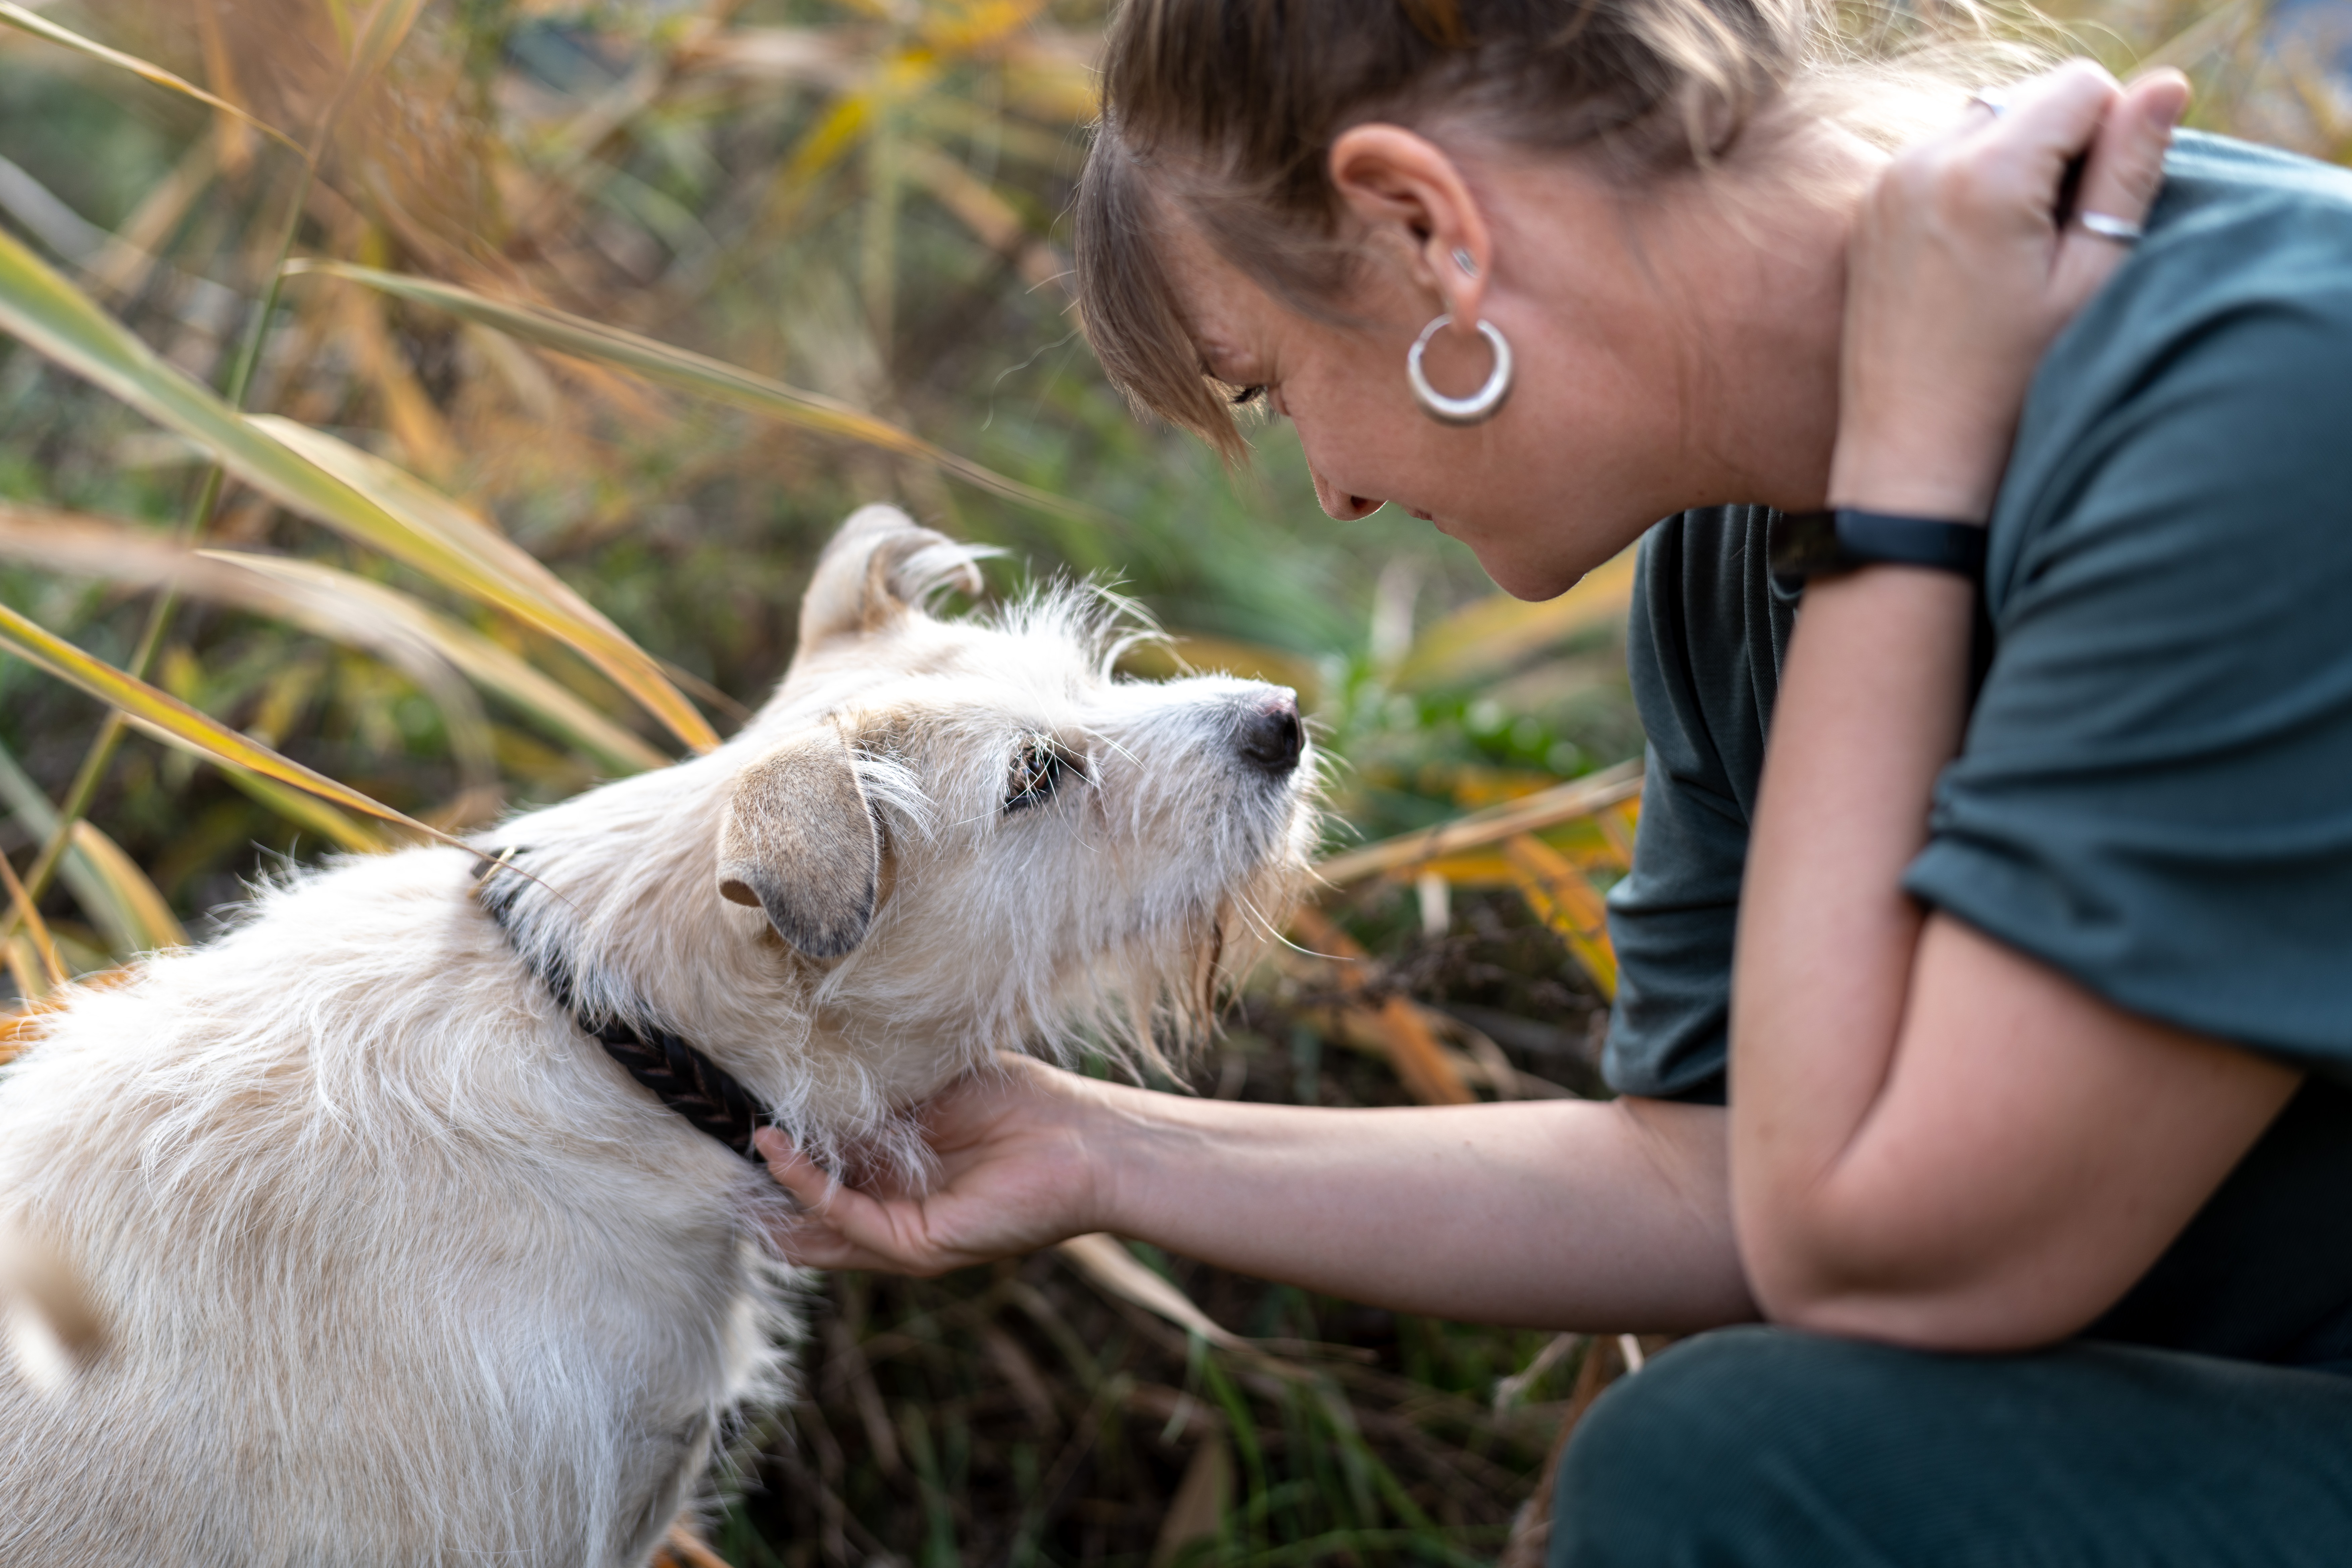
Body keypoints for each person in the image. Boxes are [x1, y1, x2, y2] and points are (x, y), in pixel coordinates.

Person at [755, 0, 2352, 1558]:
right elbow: (1711, 1170)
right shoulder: (1733, 549)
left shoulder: (2257, 393)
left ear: (1427, 226)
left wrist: (1894, 520)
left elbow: (1894, 1267)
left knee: (1728, 1466)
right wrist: (1103, 1150)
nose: (1338, 489)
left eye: (1271, 384)